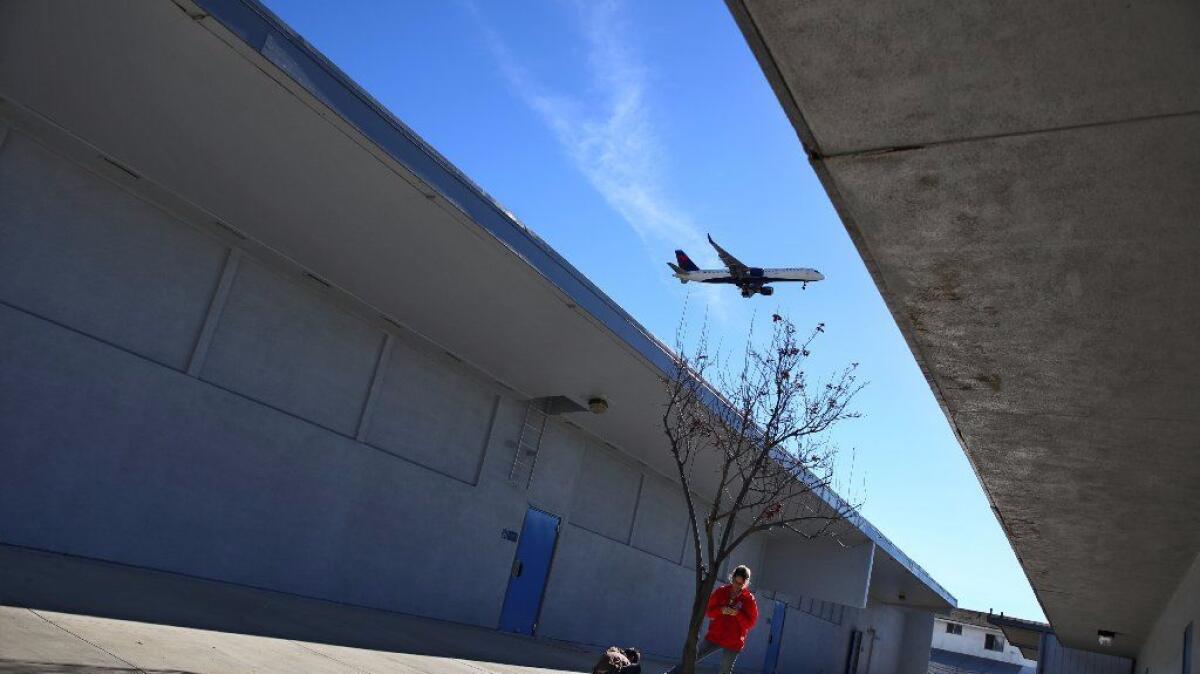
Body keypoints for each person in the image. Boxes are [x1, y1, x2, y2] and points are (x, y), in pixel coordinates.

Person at [667, 565, 759, 674]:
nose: (736, 586)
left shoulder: (749, 600)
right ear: (732, 578)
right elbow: (709, 611)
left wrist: (737, 614)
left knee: (725, 671)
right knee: (691, 659)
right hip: (715, 636)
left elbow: (751, 623)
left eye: (740, 584)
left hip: (733, 642)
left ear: (745, 583)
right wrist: (721, 610)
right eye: (735, 581)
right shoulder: (721, 591)